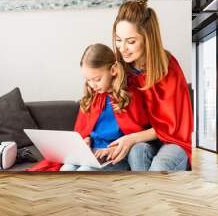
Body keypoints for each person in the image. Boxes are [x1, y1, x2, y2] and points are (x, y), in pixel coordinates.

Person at [97, 0, 193, 171]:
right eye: (118, 40)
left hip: (173, 140)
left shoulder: (168, 66)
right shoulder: (120, 69)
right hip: (143, 141)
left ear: (148, 39)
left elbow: (172, 126)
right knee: (136, 153)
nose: (122, 48)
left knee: (160, 165)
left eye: (131, 41)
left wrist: (132, 138)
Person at [60, 43, 150, 171]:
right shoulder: (93, 97)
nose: (92, 85)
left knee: (85, 171)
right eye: (88, 80)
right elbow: (87, 130)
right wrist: (86, 139)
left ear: (113, 70)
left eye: (97, 79)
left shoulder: (129, 95)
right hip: (92, 153)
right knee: (66, 169)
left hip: (116, 155)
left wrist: (114, 148)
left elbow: (136, 133)